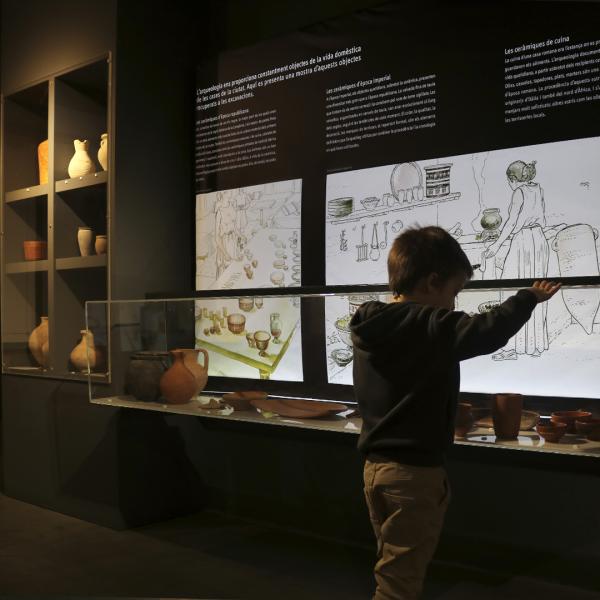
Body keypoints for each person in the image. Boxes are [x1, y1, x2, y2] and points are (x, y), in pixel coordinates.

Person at [350, 226, 560, 600]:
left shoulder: (373, 323)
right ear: (432, 282)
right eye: (454, 292)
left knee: (392, 565)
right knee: (400, 581)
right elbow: (485, 331)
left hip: (376, 469)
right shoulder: (426, 324)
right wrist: (527, 297)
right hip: (412, 476)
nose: (452, 303)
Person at [483, 160, 550, 359]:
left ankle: (514, 347)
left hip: (524, 240)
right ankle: (534, 346)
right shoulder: (537, 189)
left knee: (514, 292)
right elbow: (541, 217)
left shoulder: (519, 192)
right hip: (538, 239)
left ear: (513, 179)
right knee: (537, 291)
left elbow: (512, 223)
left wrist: (495, 247)